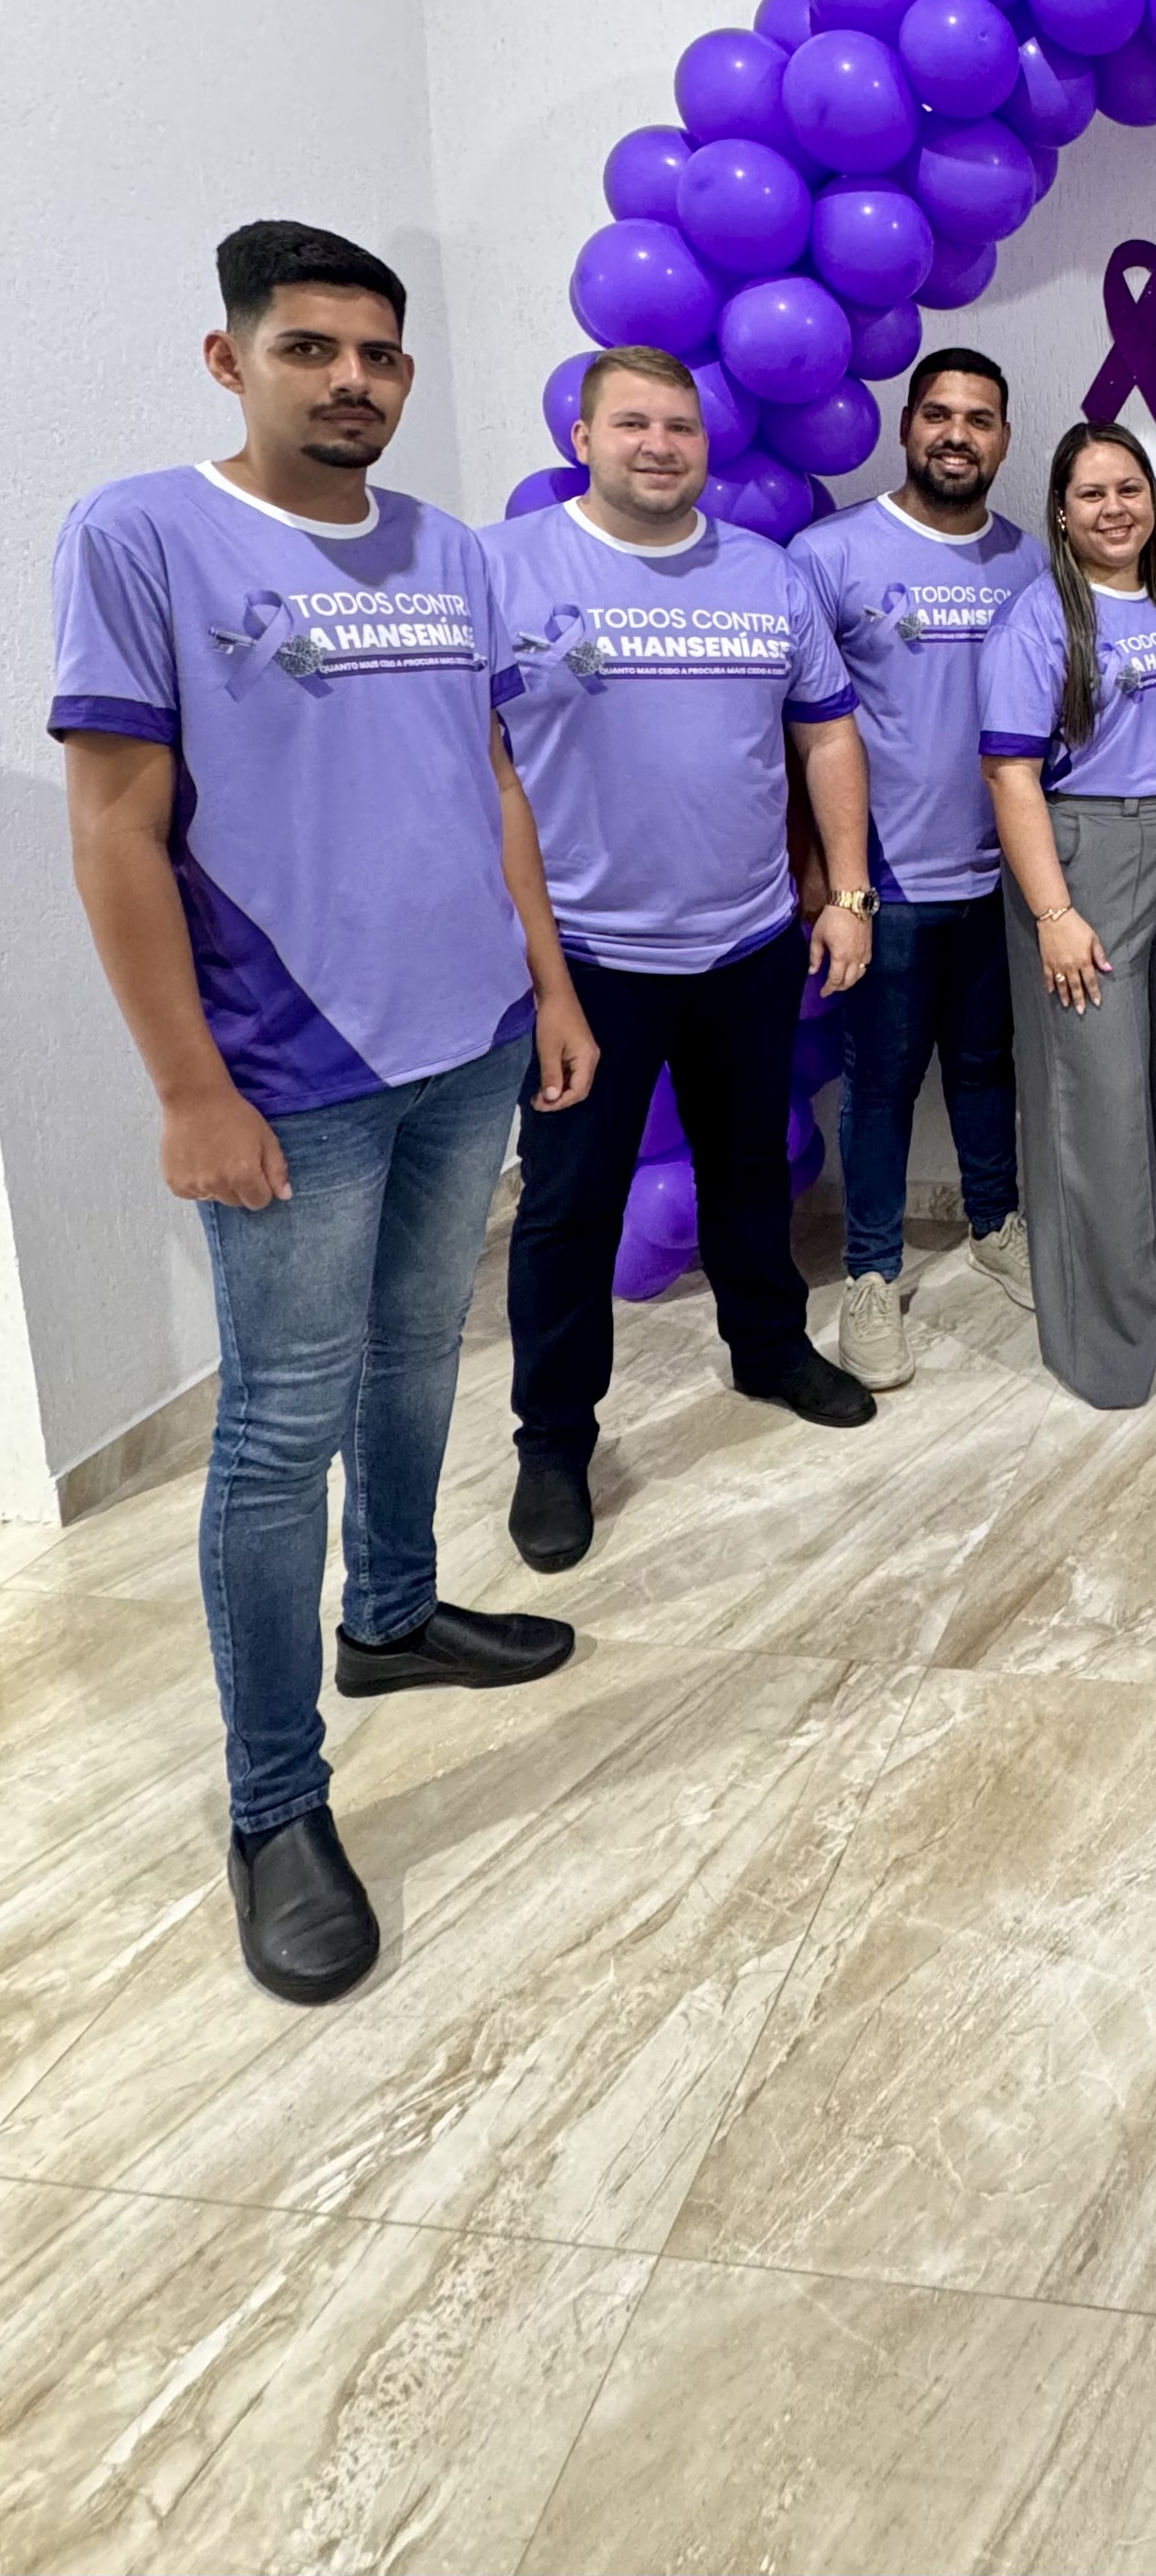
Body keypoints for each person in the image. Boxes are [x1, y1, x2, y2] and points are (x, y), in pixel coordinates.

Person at [50, 221, 593, 2007]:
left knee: (420, 1352)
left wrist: (548, 986)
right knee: (280, 1433)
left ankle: (393, 1614)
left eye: (376, 355)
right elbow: (116, 827)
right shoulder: (142, 536)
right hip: (289, 1071)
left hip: (468, 1039)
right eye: (309, 349)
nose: (350, 380)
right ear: (232, 361)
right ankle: (275, 1805)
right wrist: (187, 1087)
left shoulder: (449, 551)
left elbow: (493, 776)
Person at [485, 348, 880, 1572]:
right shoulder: (501, 570)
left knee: (748, 1166)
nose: (659, 445)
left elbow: (826, 737)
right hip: (584, 960)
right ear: (582, 437)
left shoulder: (765, 574)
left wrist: (846, 892)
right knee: (567, 1207)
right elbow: (466, 759)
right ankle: (555, 1441)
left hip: (748, 942)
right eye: (632, 424)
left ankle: (767, 1348)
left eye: (680, 426)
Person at [792, 347, 1046, 1391]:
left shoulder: (1030, 563)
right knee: (881, 1084)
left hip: (998, 882)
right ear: (906, 426)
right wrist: (824, 881)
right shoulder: (829, 554)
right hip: (883, 887)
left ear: (1003, 439)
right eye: (938, 414)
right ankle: (871, 1273)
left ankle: (994, 1223)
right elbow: (794, 732)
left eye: (978, 419)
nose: (956, 434)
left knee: (986, 1068)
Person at [978, 419, 1156, 1408]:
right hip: (1084, 859)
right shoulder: (1037, 620)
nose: (1115, 508)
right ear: (1062, 514)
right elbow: (1009, 773)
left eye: (1129, 489)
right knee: (1097, 1110)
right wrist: (1053, 912)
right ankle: (1104, 1349)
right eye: (1091, 494)